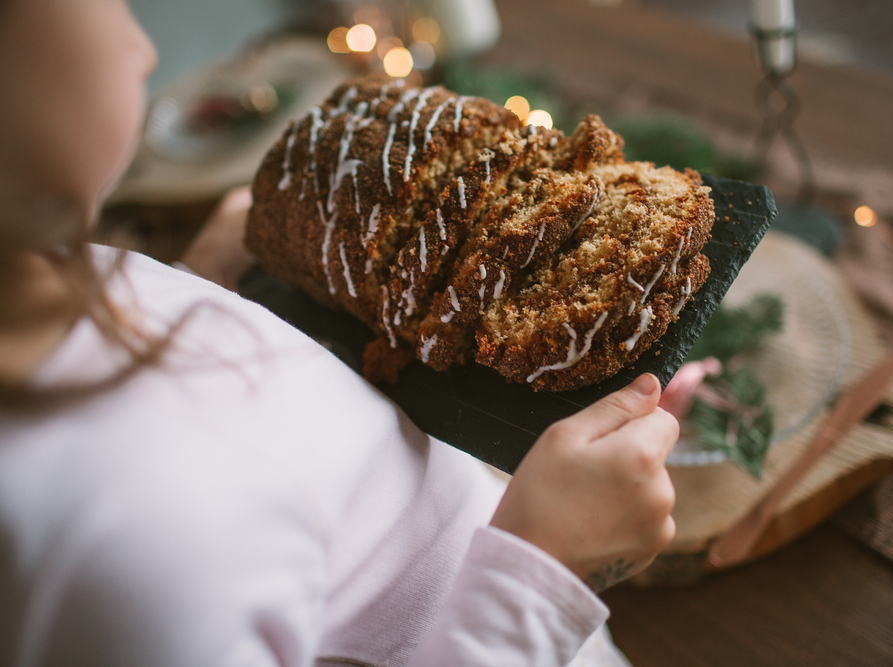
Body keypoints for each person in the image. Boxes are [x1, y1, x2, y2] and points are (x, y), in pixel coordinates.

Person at [0, 1, 681, 665]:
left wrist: (192, 283)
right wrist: (540, 574)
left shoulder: (44, 273)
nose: (142, 46)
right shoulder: (118, 553)